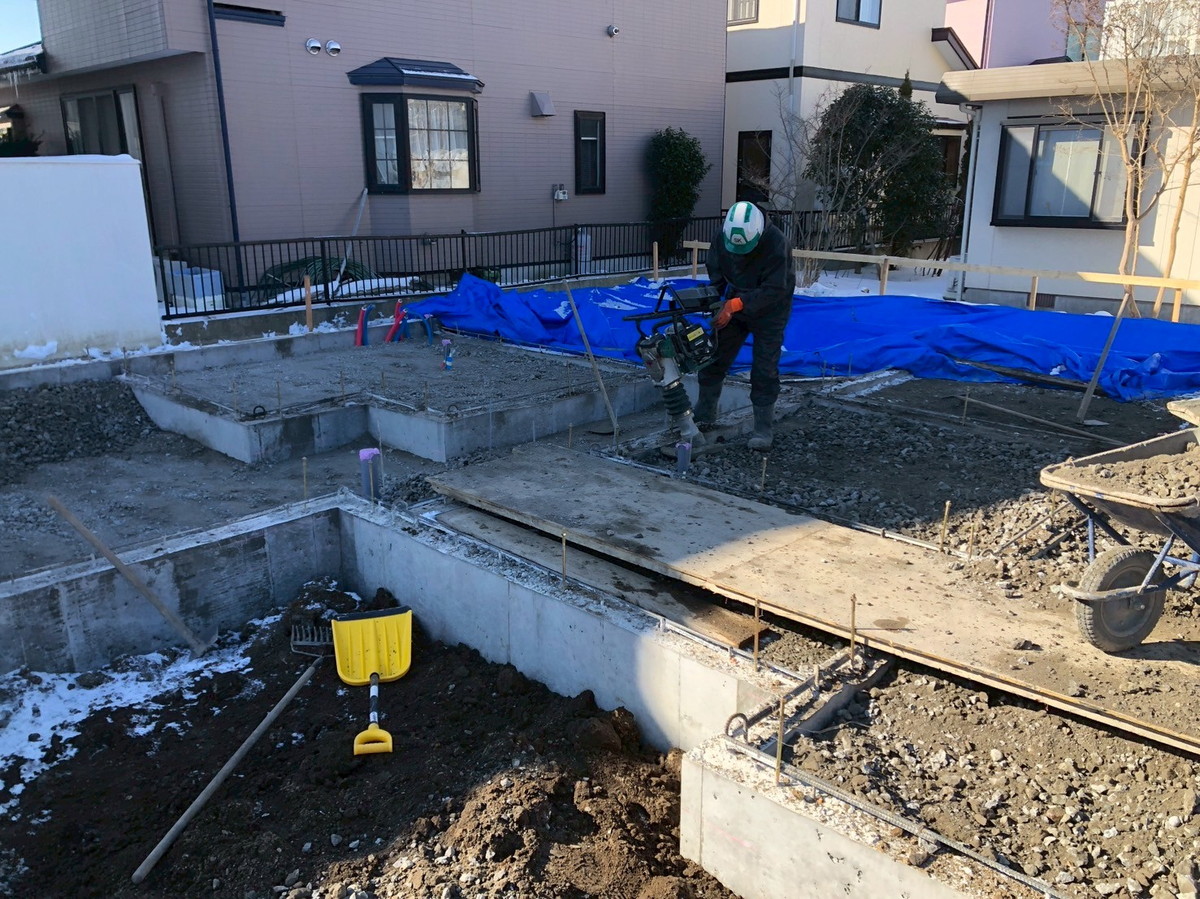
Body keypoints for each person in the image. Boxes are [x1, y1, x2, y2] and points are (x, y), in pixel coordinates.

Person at [699, 201, 795, 450]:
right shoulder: (722, 237)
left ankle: (763, 429)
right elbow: (716, 273)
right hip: (734, 302)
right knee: (713, 355)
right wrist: (716, 303)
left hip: (771, 310)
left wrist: (735, 305)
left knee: (764, 368)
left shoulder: (776, 243)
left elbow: (775, 288)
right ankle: (704, 414)